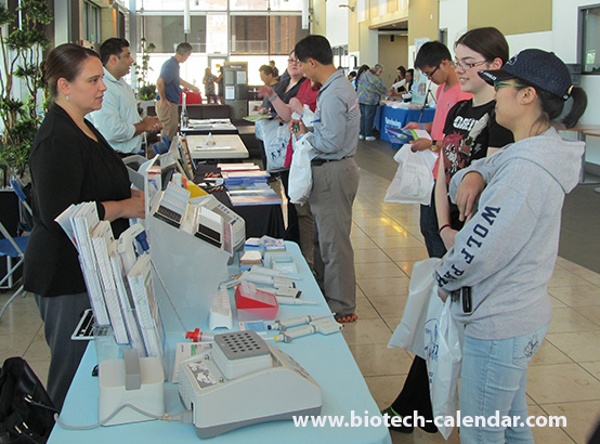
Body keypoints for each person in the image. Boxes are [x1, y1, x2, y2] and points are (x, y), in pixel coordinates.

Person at [436, 48, 586, 443]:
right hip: (521, 314)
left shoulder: (523, 173)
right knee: (512, 426)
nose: (495, 95)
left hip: (500, 321)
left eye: (502, 86)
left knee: (481, 434)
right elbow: (490, 168)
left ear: (527, 96)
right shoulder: (539, 151)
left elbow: (480, 251)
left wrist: (444, 274)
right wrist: (475, 173)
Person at [382, 27, 513, 434]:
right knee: (440, 323)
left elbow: (489, 190)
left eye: (469, 63)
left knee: (455, 329)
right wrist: (443, 225)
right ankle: (416, 407)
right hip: (450, 229)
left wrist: (464, 237)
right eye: (458, 62)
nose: (461, 71)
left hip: (474, 239)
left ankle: (420, 409)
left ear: (496, 66)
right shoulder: (460, 109)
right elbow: (445, 174)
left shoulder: (502, 119)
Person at [23, 44, 145, 411]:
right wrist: (125, 205)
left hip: (94, 266)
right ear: (64, 85)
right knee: (70, 372)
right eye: (92, 80)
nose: (102, 87)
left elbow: (102, 178)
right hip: (64, 273)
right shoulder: (56, 139)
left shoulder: (85, 126)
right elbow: (59, 213)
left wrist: (137, 192)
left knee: (92, 365)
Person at [292, 35, 360, 323]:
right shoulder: (334, 87)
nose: (300, 71)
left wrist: (306, 136)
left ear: (312, 62)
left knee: (334, 244)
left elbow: (331, 141)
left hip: (334, 171)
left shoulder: (334, 93)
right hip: (329, 170)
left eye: (299, 64)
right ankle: (325, 292)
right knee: (322, 239)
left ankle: (342, 306)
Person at [407, 41, 471, 258]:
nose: (429, 79)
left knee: (438, 230)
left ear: (445, 64)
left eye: (429, 73)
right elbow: (441, 126)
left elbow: (463, 141)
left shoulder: (464, 95)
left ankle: (443, 275)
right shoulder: (444, 89)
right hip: (434, 170)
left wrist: (431, 144)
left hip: (449, 173)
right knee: (428, 227)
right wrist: (422, 128)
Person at [259, 72, 320, 270]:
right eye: (291, 60)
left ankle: (311, 263)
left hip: (309, 154)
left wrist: (300, 112)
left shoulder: (317, 86)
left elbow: (320, 124)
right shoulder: (289, 84)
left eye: (299, 60)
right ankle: (304, 258)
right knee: (297, 207)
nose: (295, 64)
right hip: (296, 151)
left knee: (306, 212)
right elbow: (290, 116)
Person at [88, 38, 162, 157]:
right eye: (127, 56)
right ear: (113, 59)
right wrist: (143, 125)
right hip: (113, 156)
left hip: (128, 155)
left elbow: (128, 119)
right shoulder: (104, 88)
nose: (131, 60)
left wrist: (148, 124)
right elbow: (111, 131)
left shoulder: (122, 84)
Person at [155, 42, 199, 140]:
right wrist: (163, 99)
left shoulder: (173, 64)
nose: (188, 58)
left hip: (170, 103)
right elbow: (159, 82)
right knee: (168, 131)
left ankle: (169, 153)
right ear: (185, 53)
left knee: (172, 129)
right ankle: (165, 154)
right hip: (168, 104)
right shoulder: (171, 65)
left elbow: (177, 79)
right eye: (188, 55)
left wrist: (192, 87)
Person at [356, 63, 387, 141]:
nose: (380, 74)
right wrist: (389, 92)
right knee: (369, 117)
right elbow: (382, 89)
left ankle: (362, 133)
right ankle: (368, 134)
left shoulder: (364, 75)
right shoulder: (375, 79)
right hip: (370, 100)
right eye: (380, 72)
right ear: (376, 70)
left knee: (363, 117)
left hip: (361, 98)